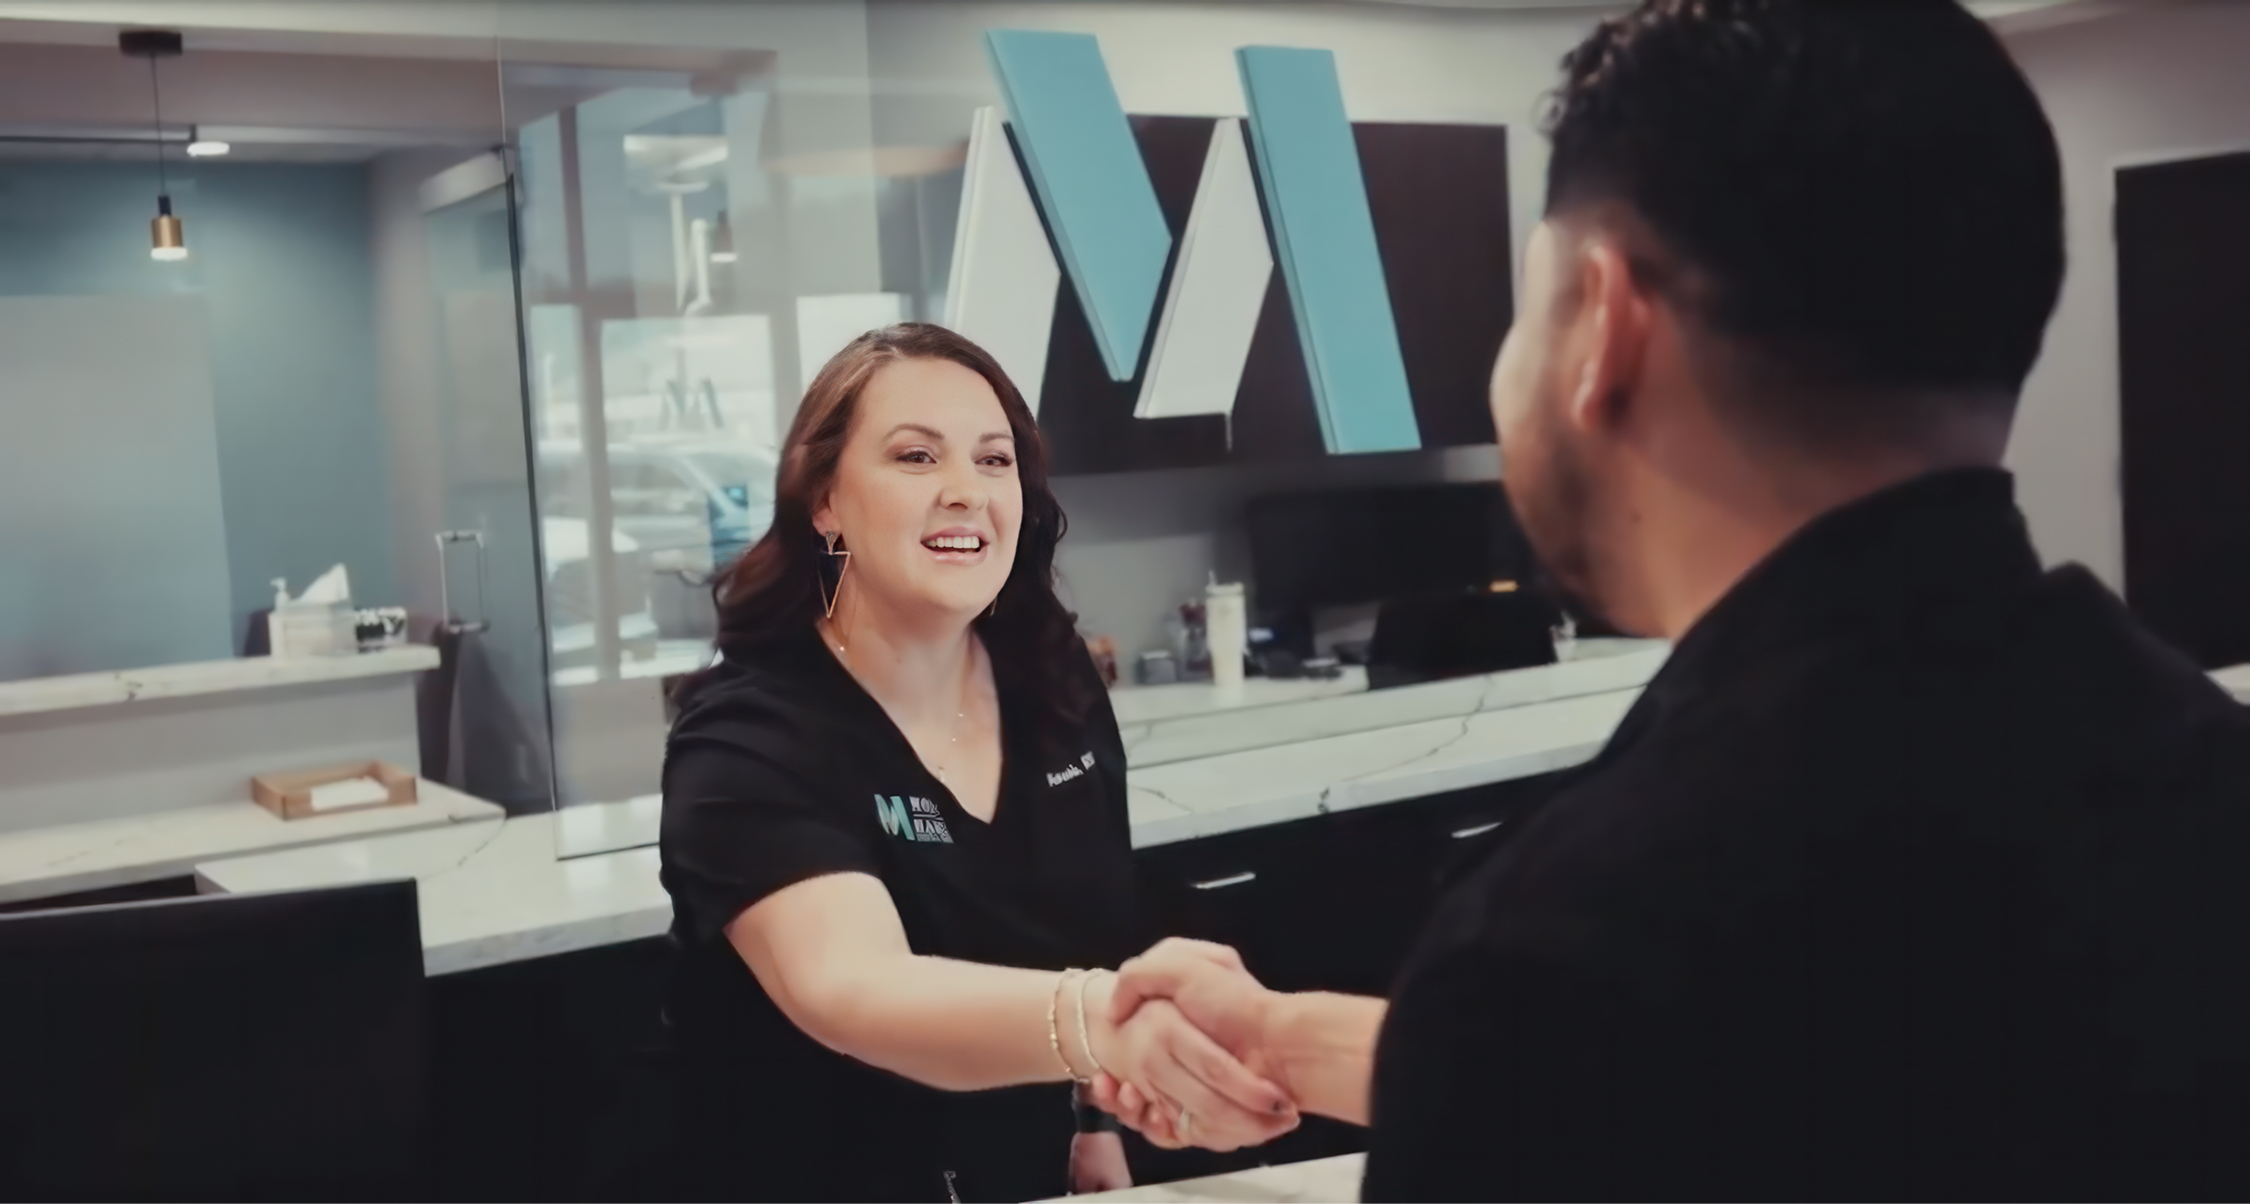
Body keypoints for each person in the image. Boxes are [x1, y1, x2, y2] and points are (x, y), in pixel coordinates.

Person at [1096, 0, 2250, 1198]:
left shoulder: (1568, 947)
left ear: (1605, 326)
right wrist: (1280, 1036)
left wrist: (1452, 1031)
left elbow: (1606, 1058)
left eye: (1526, 305)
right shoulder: (2206, 783)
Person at [658, 324, 1295, 1203]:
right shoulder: (747, 739)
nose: (966, 490)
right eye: (916, 457)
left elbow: (1089, 921)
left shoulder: (1051, 677)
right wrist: (1110, 1025)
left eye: (995, 461)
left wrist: (1094, 1120)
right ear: (825, 501)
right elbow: (858, 990)